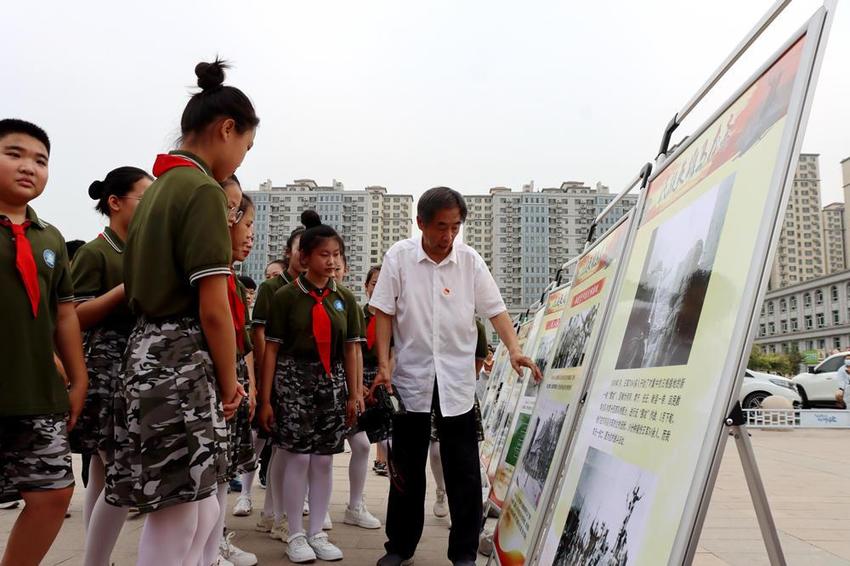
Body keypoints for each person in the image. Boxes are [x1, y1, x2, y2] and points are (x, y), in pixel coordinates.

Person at [105, 59, 258, 566]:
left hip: (149, 350)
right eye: (245, 147)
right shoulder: (201, 191)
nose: (239, 160)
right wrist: (229, 379)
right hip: (180, 359)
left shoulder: (157, 189)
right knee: (179, 512)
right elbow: (214, 309)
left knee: (197, 511)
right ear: (227, 128)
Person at [369, 187, 541, 566]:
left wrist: (513, 349)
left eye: (455, 227)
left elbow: (495, 309)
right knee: (406, 470)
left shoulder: (469, 261)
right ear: (421, 224)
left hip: (457, 383)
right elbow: (382, 312)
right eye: (440, 227)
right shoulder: (399, 257)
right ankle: (399, 547)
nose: (448, 236)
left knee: (463, 470)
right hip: (411, 379)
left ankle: (463, 552)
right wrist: (383, 363)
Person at [0, 118, 89, 565]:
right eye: (13, 154)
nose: (28, 167)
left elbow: (65, 314)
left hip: (38, 393)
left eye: (40, 160)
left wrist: (78, 378)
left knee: (54, 494)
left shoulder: (50, 237)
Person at [259, 210, 363, 563]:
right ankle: (295, 532)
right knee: (298, 459)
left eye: (336, 254)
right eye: (324, 254)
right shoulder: (285, 297)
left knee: (322, 462)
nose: (332, 261)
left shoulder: (345, 299)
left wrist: (354, 393)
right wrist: (267, 398)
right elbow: (271, 349)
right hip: (293, 383)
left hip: (330, 384)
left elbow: (351, 349)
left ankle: (317, 531)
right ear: (304, 258)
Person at [70, 166, 152, 566]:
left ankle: (94, 556)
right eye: (143, 196)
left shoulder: (142, 249)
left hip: (136, 362)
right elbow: (75, 316)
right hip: (105, 365)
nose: (151, 204)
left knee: (104, 474)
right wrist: (125, 287)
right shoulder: (94, 252)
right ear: (115, 203)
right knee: (118, 472)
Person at [241, 225, 307, 542]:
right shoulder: (272, 288)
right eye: (301, 249)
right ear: (289, 252)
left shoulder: (318, 287)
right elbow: (260, 335)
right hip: (276, 373)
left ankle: (273, 513)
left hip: (302, 379)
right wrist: (266, 379)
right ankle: (272, 513)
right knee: (273, 444)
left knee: (285, 448)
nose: (307, 256)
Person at [337, 258, 382, 530]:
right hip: (351, 384)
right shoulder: (355, 312)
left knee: (368, 445)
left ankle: (355, 504)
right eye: (375, 283)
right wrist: (355, 386)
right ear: (366, 287)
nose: (380, 288)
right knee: (323, 450)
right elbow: (350, 351)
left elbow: (395, 352)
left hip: (379, 387)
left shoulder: (394, 317)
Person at [429, 319, 489, 519]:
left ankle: (462, 510)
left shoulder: (476, 325)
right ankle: (441, 492)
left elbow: (477, 364)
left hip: (461, 393)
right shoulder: (433, 319)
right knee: (436, 450)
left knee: (463, 455)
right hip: (432, 391)